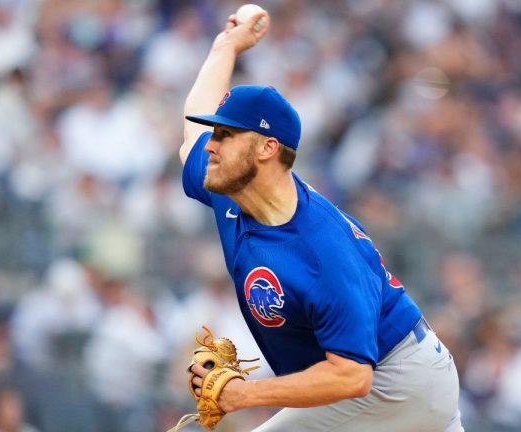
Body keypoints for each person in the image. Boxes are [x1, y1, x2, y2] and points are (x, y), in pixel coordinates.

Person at [180, 10, 464, 432]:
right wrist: (227, 46)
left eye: (224, 135)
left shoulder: (322, 250)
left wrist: (244, 394)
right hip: (386, 384)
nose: (211, 146)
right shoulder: (229, 192)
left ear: (266, 149)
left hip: (397, 380)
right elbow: (190, 135)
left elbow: (353, 375)